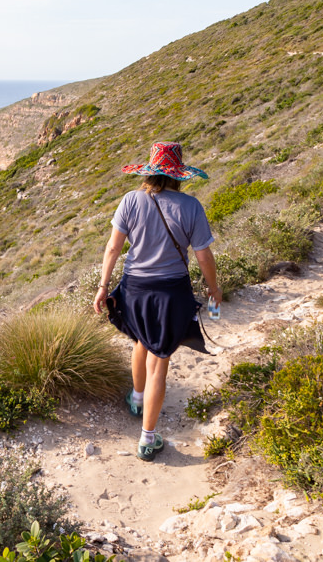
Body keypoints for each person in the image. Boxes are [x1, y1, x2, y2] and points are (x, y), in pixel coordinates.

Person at [92, 142, 220, 462]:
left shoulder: (131, 200)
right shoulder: (191, 206)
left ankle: (137, 400)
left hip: (133, 288)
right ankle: (148, 440)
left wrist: (103, 286)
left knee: (141, 340)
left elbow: (113, 248)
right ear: (178, 175)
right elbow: (203, 256)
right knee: (160, 359)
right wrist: (214, 288)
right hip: (170, 292)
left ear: (150, 171)